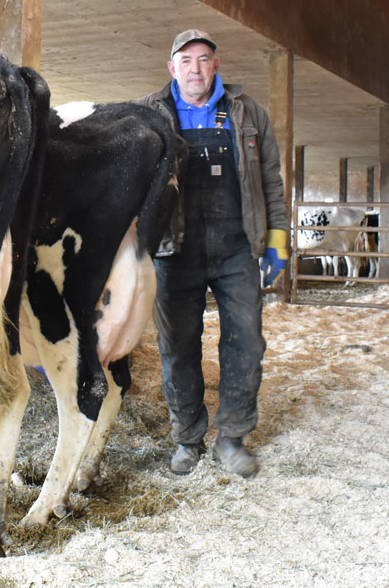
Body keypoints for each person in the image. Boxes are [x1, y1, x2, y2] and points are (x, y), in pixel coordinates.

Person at [136, 29, 288, 478]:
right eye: (186, 61)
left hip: (237, 249)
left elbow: (272, 182)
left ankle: (232, 438)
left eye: (203, 59)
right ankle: (187, 438)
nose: (195, 69)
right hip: (173, 250)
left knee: (246, 342)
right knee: (177, 346)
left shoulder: (248, 113)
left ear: (216, 65)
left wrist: (277, 242)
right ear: (172, 68)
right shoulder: (149, 113)